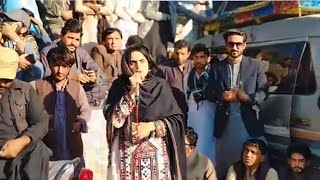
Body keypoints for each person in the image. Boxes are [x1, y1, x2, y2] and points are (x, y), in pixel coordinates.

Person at [104, 44, 186, 179]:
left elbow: (176, 120)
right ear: (126, 65)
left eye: (142, 61)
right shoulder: (119, 86)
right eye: (133, 62)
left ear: (148, 62)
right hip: (125, 156)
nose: (138, 67)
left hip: (156, 156)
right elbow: (115, 121)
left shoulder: (160, 86)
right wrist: (131, 92)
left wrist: (151, 126)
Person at [206, 29, 268, 178]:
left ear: (244, 45)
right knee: (224, 163)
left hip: (248, 120)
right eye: (231, 44)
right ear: (226, 45)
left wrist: (246, 98)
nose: (234, 48)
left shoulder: (256, 65)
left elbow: (264, 92)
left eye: (238, 44)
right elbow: (208, 92)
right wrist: (222, 95)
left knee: (251, 162)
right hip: (225, 122)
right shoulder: (217, 67)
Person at [31, 46, 91, 178]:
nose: (60, 70)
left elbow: (85, 111)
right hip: (46, 147)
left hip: (71, 145)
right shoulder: (37, 86)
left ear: (69, 67)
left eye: (64, 66)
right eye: (56, 65)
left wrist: (81, 122)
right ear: (49, 64)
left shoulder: (76, 88)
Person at [0, 47, 51, 180]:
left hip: (23, 147)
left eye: (7, 79)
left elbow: (42, 121)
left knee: (39, 149)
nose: (3, 83)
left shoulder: (24, 90)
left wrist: (21, 142)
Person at [41, 19, 108, 107]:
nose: (73, 43)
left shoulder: (80, 52)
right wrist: (73, 79)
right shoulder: (48, 52)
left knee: (102, 85)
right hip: (57, 91)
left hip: (80, 91)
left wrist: (94, 77)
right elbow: (47, 78)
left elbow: (101, 75)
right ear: (61, 36)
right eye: (70, 38)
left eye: (77, 39)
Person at [187, 43, 216, 164]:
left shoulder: (215, 75)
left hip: (210, 119)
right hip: (193, 119)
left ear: (208, 58)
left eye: (202, 57)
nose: (199, 60)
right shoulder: (189, 77)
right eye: (196, 57)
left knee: (209, 150)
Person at [0, 9, 43, 82]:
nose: (6, 24)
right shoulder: (2, 37)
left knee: (37, 66)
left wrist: (13, 36)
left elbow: (34, 56)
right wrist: (16, 61)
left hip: (17, 77)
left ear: (23, 29)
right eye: (5, 20)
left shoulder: (28, 39)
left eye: (11, 21)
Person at [157, 40, 193, 124]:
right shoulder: (164, 68)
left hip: (192, 110)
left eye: (183, 54)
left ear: (188, 54)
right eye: (177, 53)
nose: (179, 57)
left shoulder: (194, 66)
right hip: (173, 112)